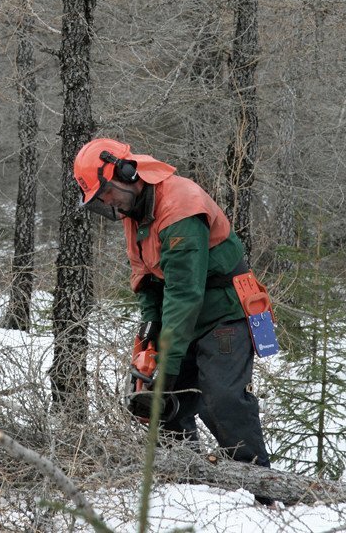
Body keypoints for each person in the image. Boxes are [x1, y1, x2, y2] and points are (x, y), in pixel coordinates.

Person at [73, 137, 274, 505]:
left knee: (222, 396)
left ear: (126, 173)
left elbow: (185, 292)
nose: (106, 204)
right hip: (183, 311)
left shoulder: (180, 205)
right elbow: (149, 284)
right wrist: (149, 336)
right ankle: (185, 478)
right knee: (160, 399)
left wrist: (169, 358)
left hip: (224, 310)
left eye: (105, 193)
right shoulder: (136, 214)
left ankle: (259, 488)